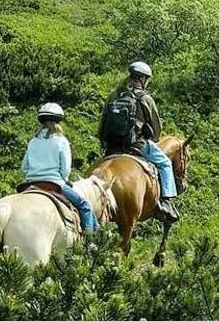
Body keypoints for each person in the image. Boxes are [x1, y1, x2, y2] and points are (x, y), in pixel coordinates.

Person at [98, 61, 179, 221]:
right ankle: (166, 201)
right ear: (143, 79)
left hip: (112, 147)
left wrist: (105, 143)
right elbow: (156, 129)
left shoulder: (114, 96)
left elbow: (102, 125)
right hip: (138, 145)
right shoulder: (145, 98)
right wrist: (152, 139)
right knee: (164, 163)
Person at [22, 103, 99, 233]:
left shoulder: (33, 142)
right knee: (84, 206)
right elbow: (65, 170)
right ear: (58, 123)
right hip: (54, 183)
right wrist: (65, 179)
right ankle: (89, 243)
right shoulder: (61, 141)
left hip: (30, 184)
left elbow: (24, 168)